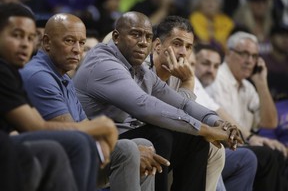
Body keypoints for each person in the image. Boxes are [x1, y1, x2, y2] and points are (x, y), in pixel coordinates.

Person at [73, 11, 242, 191]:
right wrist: (207, 130)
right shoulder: (105, 63)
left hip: (127, 135)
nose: (143, 42)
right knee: (160, 134)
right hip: (98, 143)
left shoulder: (138, 68)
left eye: (147, 36)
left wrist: (218, 123)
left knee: (196, 141)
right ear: (116, 37)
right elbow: (145, 106)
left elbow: (181, 103)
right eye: (135, 34)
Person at [20, 12, 169, 191]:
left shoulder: (62, 76)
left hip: (74, 152)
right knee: (129, 150)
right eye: (69, 41)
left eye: (81, 43)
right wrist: (105, 131)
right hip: (49, 159)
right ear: (46, 42)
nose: (77, 49)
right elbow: (71, 135)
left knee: (143, 146)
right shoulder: (39, 75)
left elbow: (84, 125)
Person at [0, 2, 118, 191]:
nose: (25, 44)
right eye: (17, 35)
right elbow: (35, 127)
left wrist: (98, 130)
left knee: (83, 141)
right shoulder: (30, 73)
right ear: (46, 43)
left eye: (30, 38)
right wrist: (103, 126)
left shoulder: (18, 71)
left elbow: (34, 122)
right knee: (78, 141)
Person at [150, 16, 257, 191]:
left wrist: (220, 123)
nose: (183, 52)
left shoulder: (180, 72)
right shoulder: (144, 70)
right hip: (138, 135)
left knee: (213, 147)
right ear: (157, 46)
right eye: (177, 44)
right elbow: (163, 115)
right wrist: (189, 82)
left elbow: (188, 109)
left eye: (189, 47)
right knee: (170, 137)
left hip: (166, 138)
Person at [200, 33, 288, 190]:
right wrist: (252, 138)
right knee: (267, 156)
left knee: (279, 154)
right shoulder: (215, 78)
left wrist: (261, 83)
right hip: (221, 147)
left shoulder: (248, 87)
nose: (249, 61)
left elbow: (270, 123)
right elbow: (222, 124)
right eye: (244, 54)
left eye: (254, 56)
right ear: (228, 54)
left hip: (241, 144)